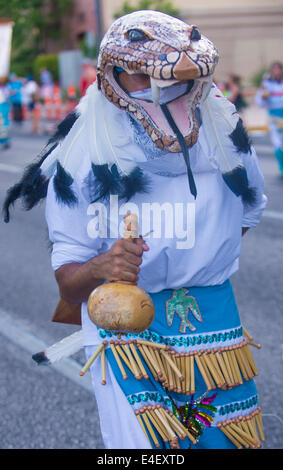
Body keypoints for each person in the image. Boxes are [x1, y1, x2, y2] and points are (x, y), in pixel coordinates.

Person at [3, 11, 267, 450]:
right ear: (112, 76)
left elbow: (246, 215)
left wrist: (193, 260)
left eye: (172, 80)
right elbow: (69, 286)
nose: (160, 91)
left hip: (211, 317)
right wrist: (103, 266)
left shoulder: (226, 136)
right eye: (142, 78)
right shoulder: (82, 153)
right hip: (120, 323)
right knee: (145, 451)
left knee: (221, 442)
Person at [255, 61, 283, 176]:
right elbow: (259, 103)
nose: (276, 72)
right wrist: (264, 97)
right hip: (274, 118)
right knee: (277, 144)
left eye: (278, 69)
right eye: (274, 70)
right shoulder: (267, 85)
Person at [0, 79, 11, 149]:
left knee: (3, 125)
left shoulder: (5, 89)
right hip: (4, 106)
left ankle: (4, 141)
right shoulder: (6, 89)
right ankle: (4, 141)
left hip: (2, 107)